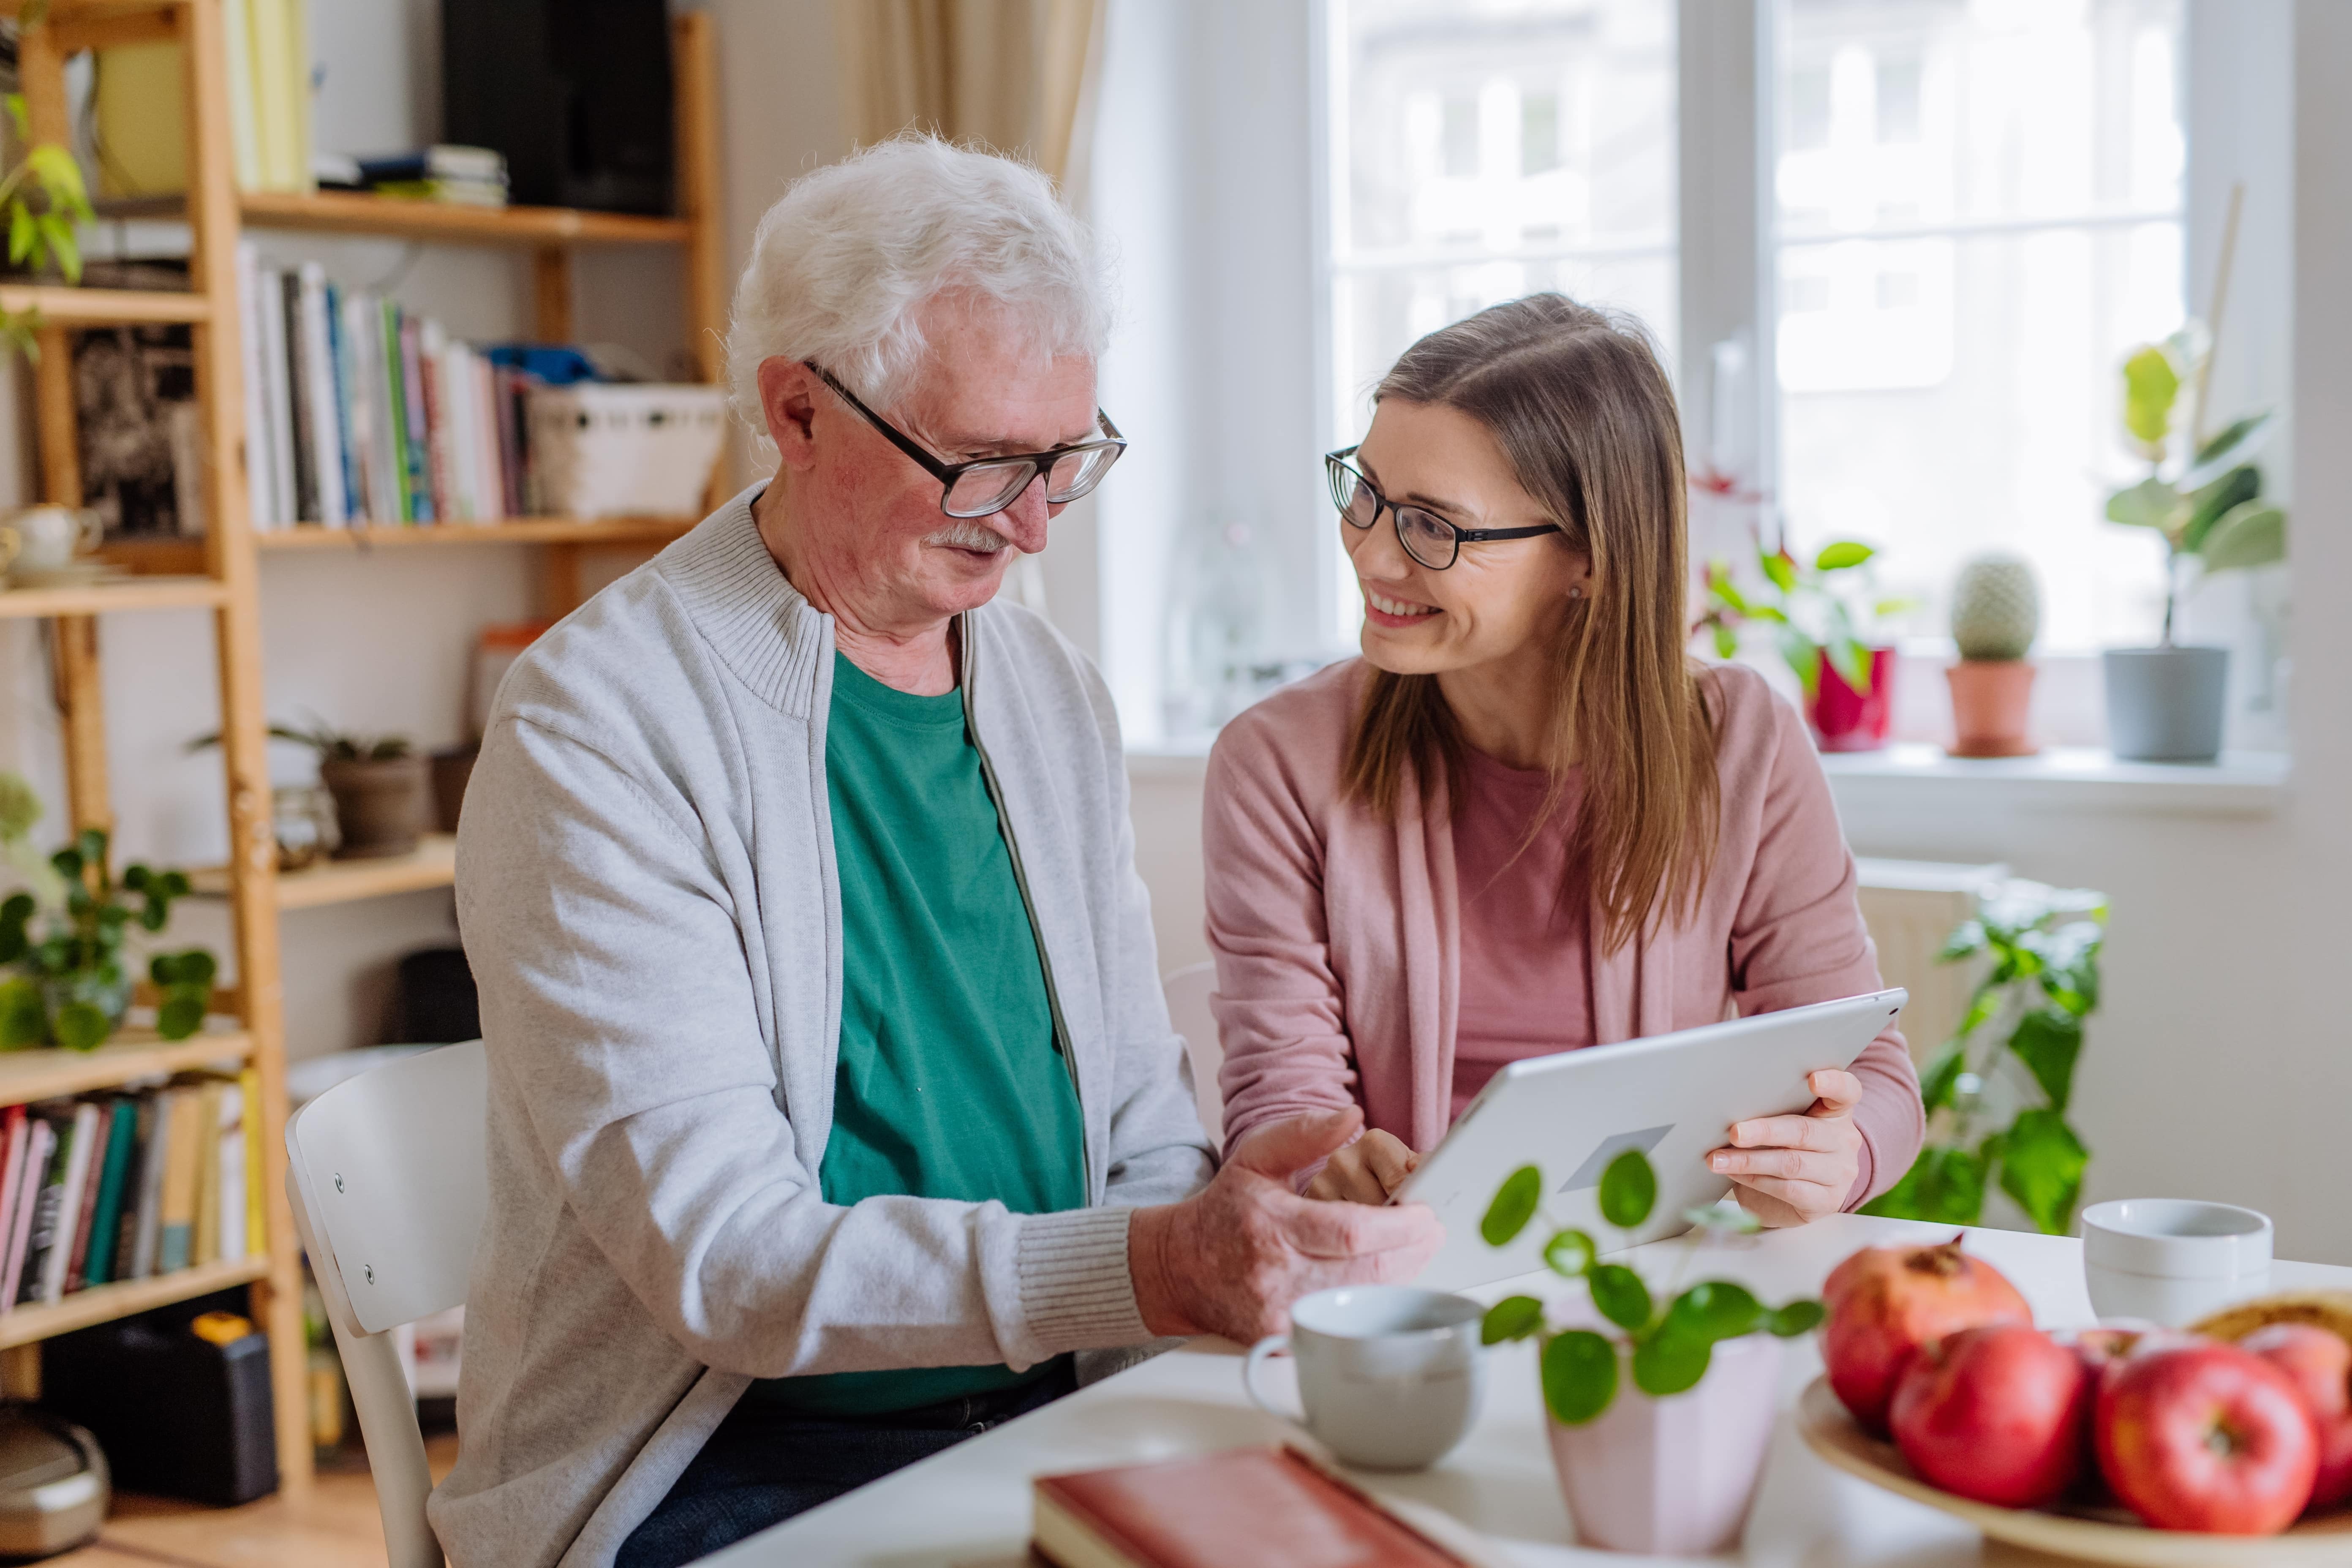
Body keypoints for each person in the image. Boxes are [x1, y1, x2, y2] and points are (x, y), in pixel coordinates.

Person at [431, 137, 1441, 1568]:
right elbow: (729, 1267)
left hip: (1055, 1397)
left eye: (1064, 461)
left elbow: (1138, 1121)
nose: (1030, 526)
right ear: (797, 409)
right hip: (721, 1466)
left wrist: (1231, 1201)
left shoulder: (1042, 692)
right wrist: (1156, 1263)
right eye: (980, 466)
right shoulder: (595, 725)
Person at [1204, 295, 1923, 1222]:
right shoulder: (1279, 764)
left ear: (1586, 555)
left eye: (1433, 525)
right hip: (1399, 1300)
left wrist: (1839, 1153)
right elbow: (1280, 1101)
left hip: (1646, 1284)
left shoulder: (1743, 744)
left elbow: (1874, 1077)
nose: (1372, 555)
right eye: (1367, 491)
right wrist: (1319, 1166)